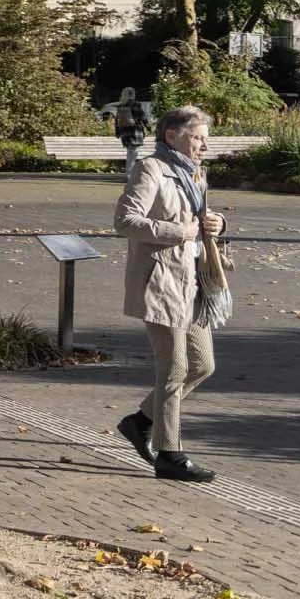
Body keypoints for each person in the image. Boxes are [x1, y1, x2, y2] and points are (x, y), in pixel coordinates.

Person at [114, 104, 223, 483]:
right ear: (172, 135)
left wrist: (217, 222)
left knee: (202, 364)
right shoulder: (151, 169)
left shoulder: (194, 172)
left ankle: (141, 421)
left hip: (192, 282)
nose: (204, 146)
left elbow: (199, 218)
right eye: (197, 137)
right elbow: (125, 221)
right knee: (174, 368)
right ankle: (170, 454)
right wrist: (179, 232)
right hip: (160, 282)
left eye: (206, 139)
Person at [112, 87, 153, 158]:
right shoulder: (135, 105)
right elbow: (143, 117)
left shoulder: (121, 106)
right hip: (135, 132)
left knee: (130, 152)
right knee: (132, 153)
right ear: (133, 94)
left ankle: (130, 168)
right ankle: (130, 169)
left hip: (124, 132)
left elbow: (117, 120)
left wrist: (117, 132)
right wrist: (148, 128)